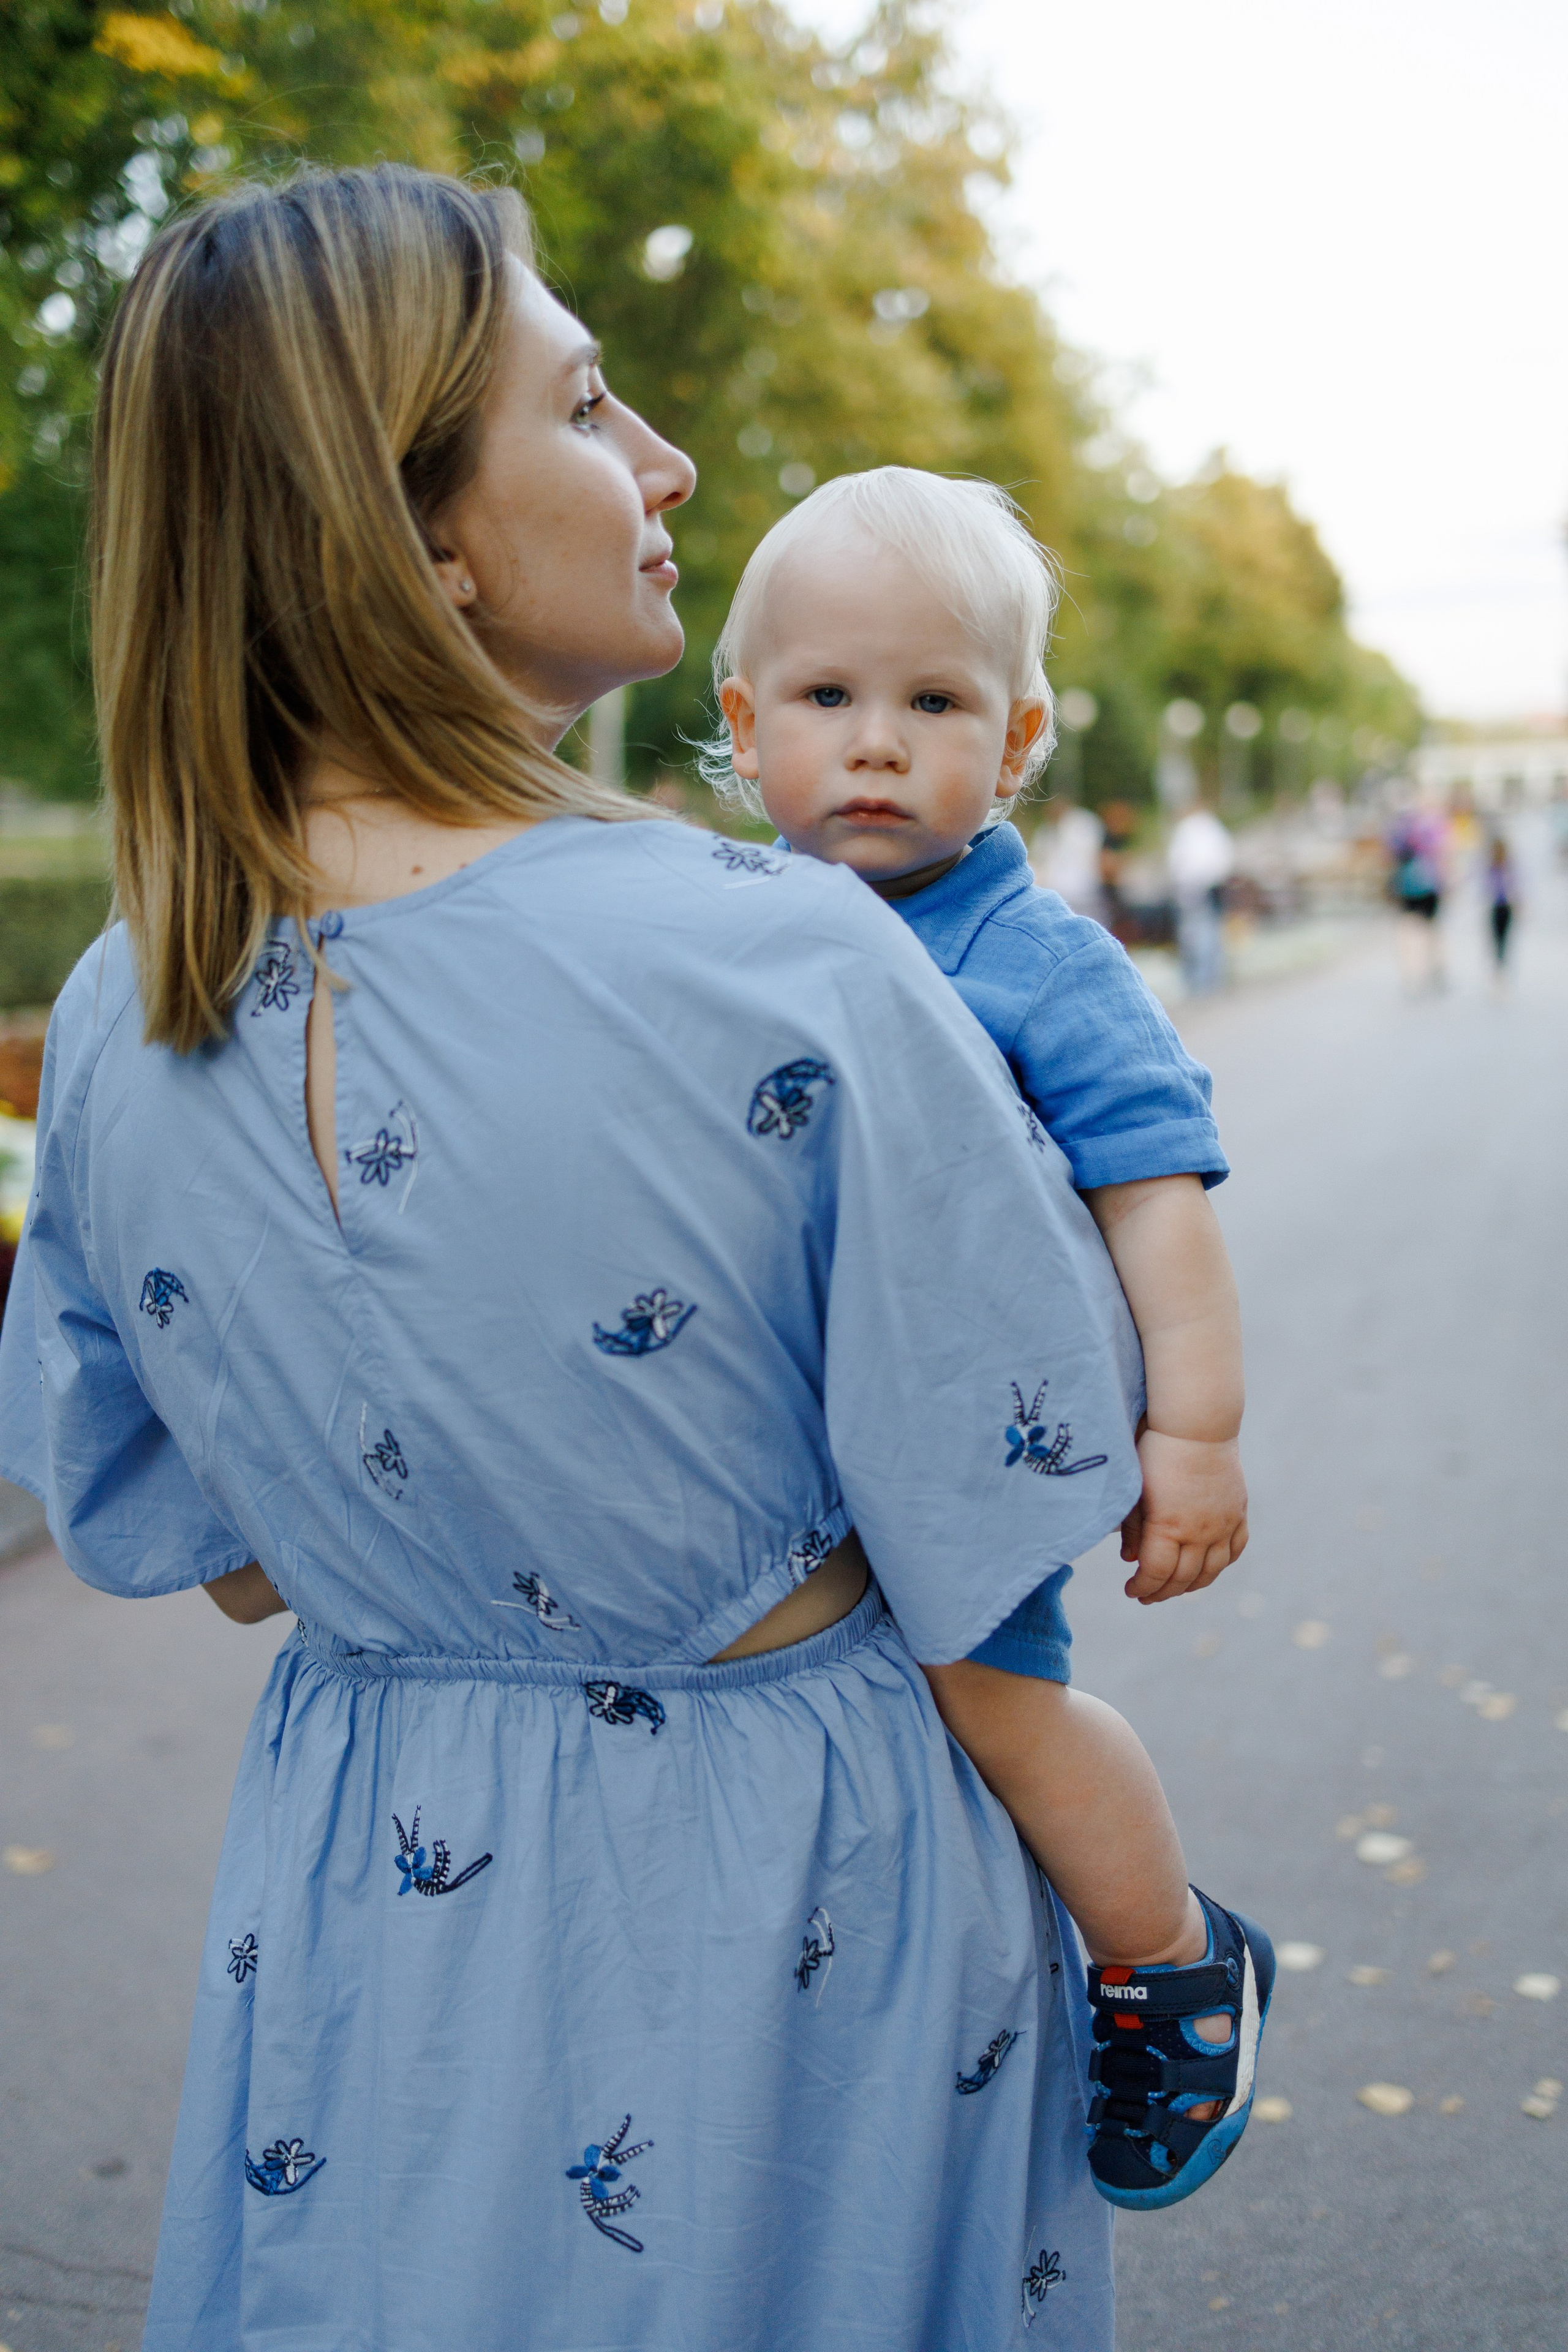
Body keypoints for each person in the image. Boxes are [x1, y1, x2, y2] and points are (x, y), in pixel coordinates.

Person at [0, 168, 1219, 2352]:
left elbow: (220, 1540)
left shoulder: (116, 1015)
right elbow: (1007, 1482)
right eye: (584, 406)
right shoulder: (783, 961)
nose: (662, 466)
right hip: (781, 1908)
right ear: (429, 534)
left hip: (374, 1894)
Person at [712, 467, 1272, 2209]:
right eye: (827, 698)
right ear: (742, 727)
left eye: (934, 702)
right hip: (780, 1458)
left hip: (968, 1451)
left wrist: (1195, 1435)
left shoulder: (1037, 958)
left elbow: (1158, 1202)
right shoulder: (718, 935)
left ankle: (1167, 1962)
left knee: (997, 1698)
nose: (876, 745)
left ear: (1017, 739)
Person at [1166, 799, 1235, 995]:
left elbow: (1178, 863)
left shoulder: (1188, 829)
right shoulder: (1211, 827)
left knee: (1196, 936)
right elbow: (1225, 858)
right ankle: (1211, 981)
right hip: (1212, 886)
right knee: (1210, 933)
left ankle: (1200, 983)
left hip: (1193, 890)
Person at [1385, 798, 1447, 992]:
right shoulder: (1427, 830)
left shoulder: (1399, 833)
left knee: (1410, 932)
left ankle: (1415, 972)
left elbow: (1390, 859)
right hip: (1426, 886)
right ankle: (1432, 969)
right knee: (1428, 931)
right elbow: (1440, 854)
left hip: (1409, 887)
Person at [1484, 829, 1518, 976]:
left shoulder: (1509, 867)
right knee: (1496, 937)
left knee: (1503, 938)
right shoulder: (1491, 867)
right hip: (1496, 906)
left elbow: (1515, 886)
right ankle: (1498, 964)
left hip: (1505, 906)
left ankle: (1501, 965)